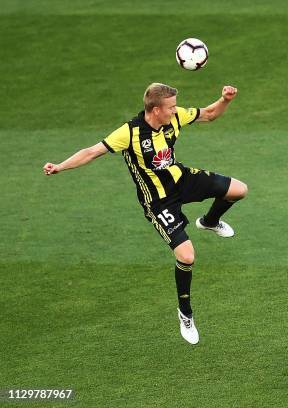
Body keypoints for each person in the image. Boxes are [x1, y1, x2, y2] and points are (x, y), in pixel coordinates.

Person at [43, 83, 248, 344]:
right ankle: (185, 314)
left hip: (181, 179)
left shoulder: (174, 117)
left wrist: (225, 100)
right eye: (171, 107)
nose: (176, 111)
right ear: (155, 109)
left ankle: (209, 221)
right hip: (158, 201)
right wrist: (60, 166)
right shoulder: (129, 132)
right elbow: (92, 152)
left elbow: (209, 114)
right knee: (186, 255)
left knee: (239, 190)